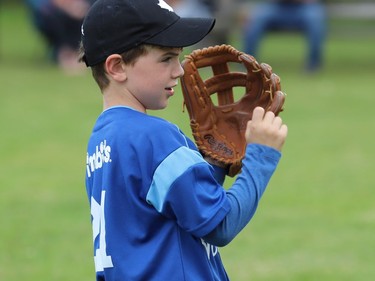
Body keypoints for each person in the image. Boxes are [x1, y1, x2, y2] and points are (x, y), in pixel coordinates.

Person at [80, 0, 288, 280]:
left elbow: (180, 207)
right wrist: (261, 156)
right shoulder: (154, 137)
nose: (179, 70)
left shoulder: (104, 138)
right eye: (166, 58)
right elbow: (219, 223)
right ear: (117, 67)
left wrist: (215, 162)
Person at [243, 0, 327, 72]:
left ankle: (313, 65)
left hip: (304, 7)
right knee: (256, 20)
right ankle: (248, 64)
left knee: (315, 20)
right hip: (276, 7)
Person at [25, 0, 93, 72]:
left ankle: (76, 53)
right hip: (53, 11)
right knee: (49, 11)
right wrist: (66, 5)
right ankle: (66, 52)